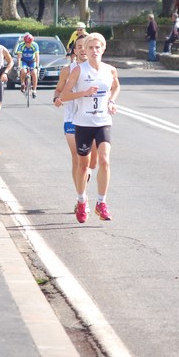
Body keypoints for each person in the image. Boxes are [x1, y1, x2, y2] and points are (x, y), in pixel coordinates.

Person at [60, 33, 120, 224]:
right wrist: (84, 93)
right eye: (90, 48)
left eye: (97, 47)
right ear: (84, 50)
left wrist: (111, 101)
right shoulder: (78, 70)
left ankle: (101, 203)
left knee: (104, 161)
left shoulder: (110, 70)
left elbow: (116, 86)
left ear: (103, 49)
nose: (94, 51)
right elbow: (64, 95)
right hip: (83, 124)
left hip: (103, 121)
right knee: (84, 165)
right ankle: (81, 200)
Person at [53, 35, 98, 204]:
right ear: (75, 50)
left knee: (92, 160)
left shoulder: (99, 69)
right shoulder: (68, 70)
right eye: (78, 46)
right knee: (77, 157)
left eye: (85, 46)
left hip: (93, 119)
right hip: (72, 118)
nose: (82, 49)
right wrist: (56, 99)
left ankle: (88, 171)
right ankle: (82, 196)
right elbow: (58, 90)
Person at [16, 33, 40, 98]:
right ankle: (22, 83)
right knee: (23, 71)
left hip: (32, 61)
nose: (28, 44)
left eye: (29, 42)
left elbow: (37, 56)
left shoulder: (35, 45)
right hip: (24, 61)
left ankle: (34, 90)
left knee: (34, 73)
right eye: (26, 42)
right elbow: (19, 57)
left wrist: (37, 65)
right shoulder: (21, 45)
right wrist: (18, 66)